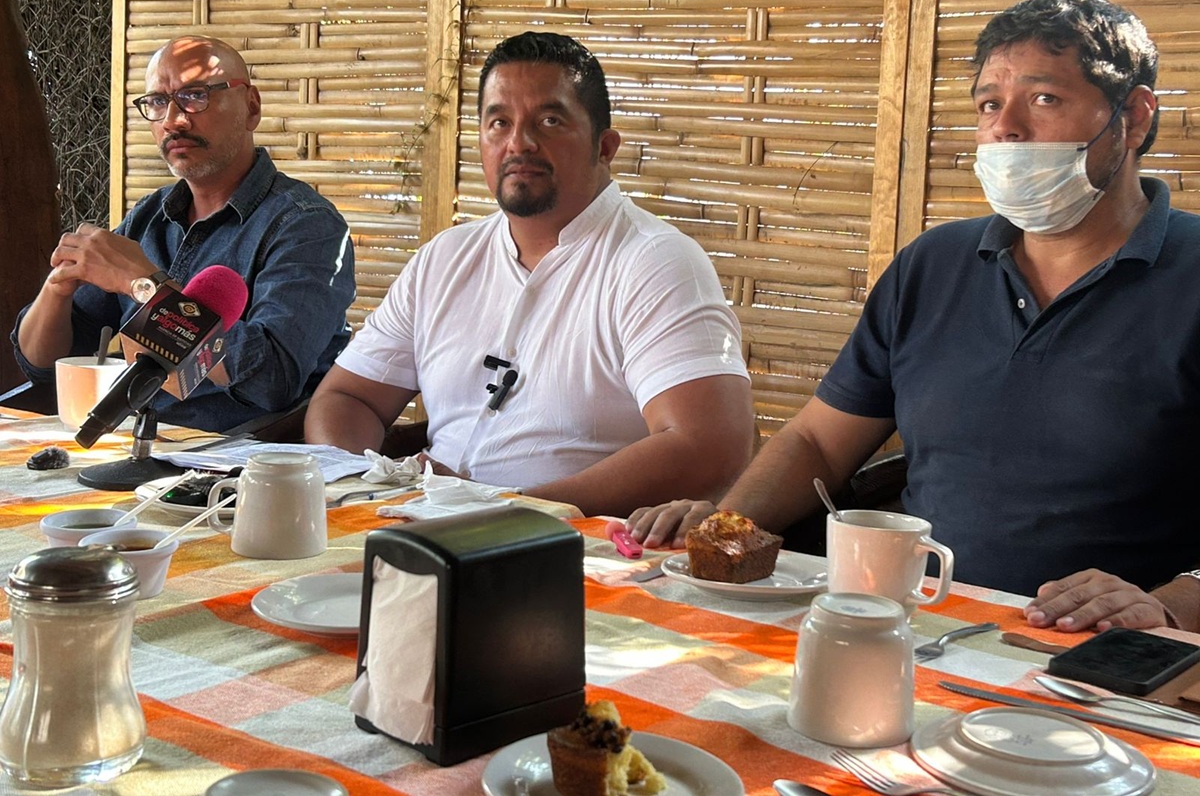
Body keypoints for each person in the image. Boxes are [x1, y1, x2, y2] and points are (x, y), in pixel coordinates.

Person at [626, 0, 1200, 634]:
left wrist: (1172, 604)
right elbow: (816, 441)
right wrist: (723, 528)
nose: (1006, 127)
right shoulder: (933, 266)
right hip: (916, 628)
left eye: (1044, 99)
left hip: (1108, 660)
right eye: (989, 104)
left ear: (1133, 119)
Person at [305, 31, 755, 517]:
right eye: (499, 122)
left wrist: (502, 511)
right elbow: (348, 397)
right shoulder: (445, 258)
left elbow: (709, 447)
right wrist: (368, 485)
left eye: (549, 119)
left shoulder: (656, 261)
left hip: (572, 554)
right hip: (416, 528)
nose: (519, 142)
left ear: (604, 147)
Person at [11, 36, 356, 433]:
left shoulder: (305, 224)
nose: (174, 120)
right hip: (130, 443)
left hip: (234, 464)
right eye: (157, 102)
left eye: (195, 95)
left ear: (252, 107)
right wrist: (58, 287)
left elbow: (272, 379)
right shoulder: (149, 215)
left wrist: (144, 286)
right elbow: (42, 363)